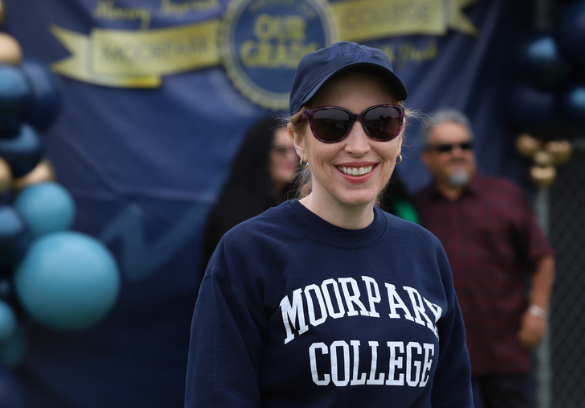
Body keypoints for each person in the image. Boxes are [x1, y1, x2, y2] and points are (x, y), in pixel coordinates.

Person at [185, 42, 474, 407]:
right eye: (332, 124)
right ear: (298, 142)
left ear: (400, 136)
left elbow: (453, 396)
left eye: (380, 122)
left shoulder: (424, 252)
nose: (357, 146)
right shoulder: (248, 252)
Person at [414, 109, 556, 408]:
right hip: (441, 353)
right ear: (426, 157)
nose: (457, 153)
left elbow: (542, 257)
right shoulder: (414, 210)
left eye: (464, 146)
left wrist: (538, 311)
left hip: (503, 348)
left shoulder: (506, 196)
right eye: (445, 148)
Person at [200, 115, 298, 273]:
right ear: (261, 155)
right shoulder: (236, 214)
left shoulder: (292, 201)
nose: (292, 157)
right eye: (281, 150)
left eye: (295, 150)